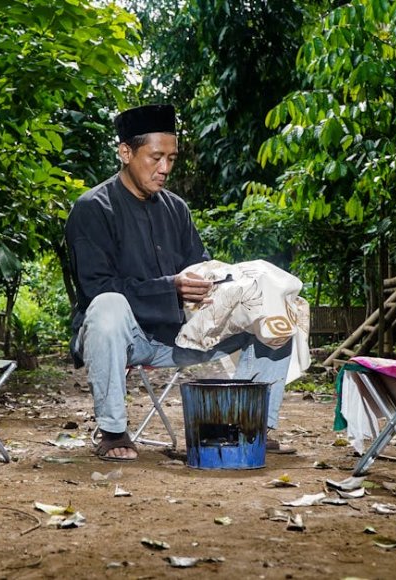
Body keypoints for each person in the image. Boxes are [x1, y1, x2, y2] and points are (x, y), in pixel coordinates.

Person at [65, 104, 294, 461]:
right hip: (124, 338)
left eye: (171, 158)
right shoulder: (93, 208)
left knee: (275, 308)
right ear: (125, 152)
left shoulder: (176, 208)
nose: (165, 169)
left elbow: (199, 268)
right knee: (108, 304)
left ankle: (250, 426)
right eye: (155, 157)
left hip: (179, 334)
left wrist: (228, 283)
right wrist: (170, 286)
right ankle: (113, 431)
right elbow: (98, 289)